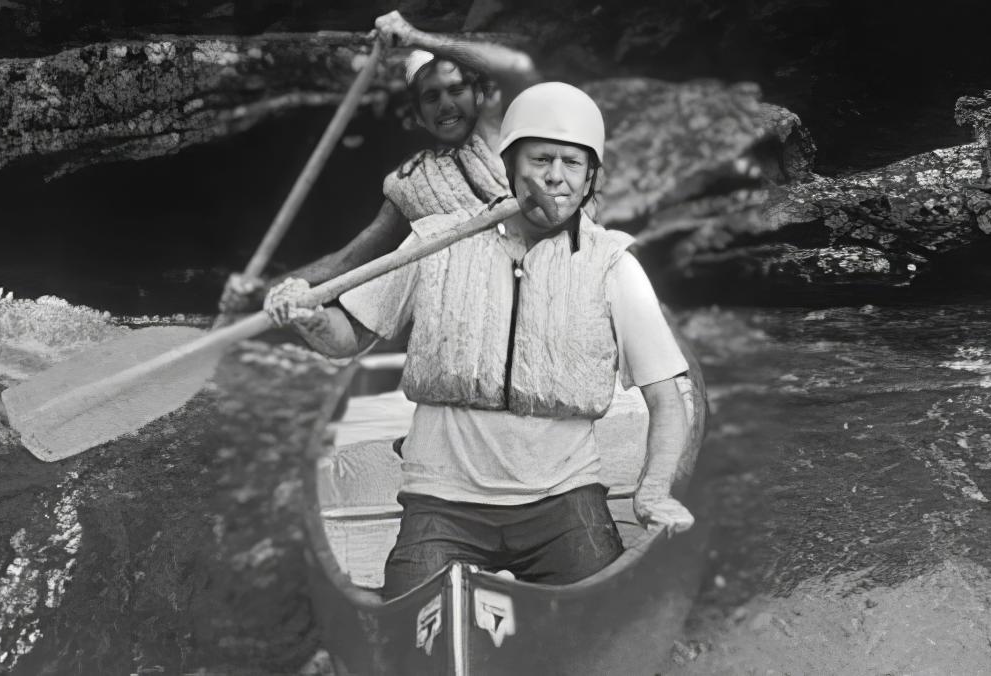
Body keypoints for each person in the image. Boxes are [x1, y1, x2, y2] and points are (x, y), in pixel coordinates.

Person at [265, 81, 697, 598]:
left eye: (572, 163)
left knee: (605, 608)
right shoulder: (435, 240)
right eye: (540, 160)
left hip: (564, 498)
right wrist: (308, 316)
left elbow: (667, 402)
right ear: (510, 165)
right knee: (406, 610)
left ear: (590, 180)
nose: (555, 177)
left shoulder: (613, 265)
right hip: (441, 501)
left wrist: (653, 491)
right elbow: (344, 340)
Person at [219, 10, 540, 313]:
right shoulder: (412, 182)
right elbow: (347, 262)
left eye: (456, 90)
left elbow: (518, 66)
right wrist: (263, 293)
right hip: (478, 317)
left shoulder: (500, 130)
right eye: (432, 97)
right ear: (418, 116)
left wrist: (415, 37)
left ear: (479, 96)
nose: (445, 105)